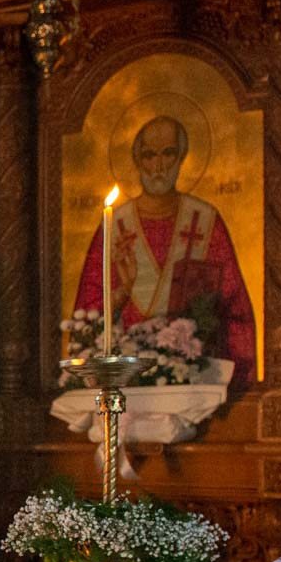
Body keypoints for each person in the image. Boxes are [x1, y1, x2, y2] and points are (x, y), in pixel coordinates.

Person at [72, 114, 256, 383]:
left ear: (181, 157)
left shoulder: (204, 221)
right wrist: (122, 294)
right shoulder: (115, 227)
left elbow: (234, 307)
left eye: (168, 153)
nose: (158, 165)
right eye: (149, 155)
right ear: (138, 160)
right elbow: (86, 316)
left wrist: (240, 382)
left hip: (192, 378)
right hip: (128, 380)